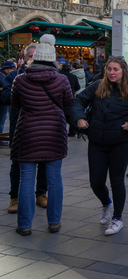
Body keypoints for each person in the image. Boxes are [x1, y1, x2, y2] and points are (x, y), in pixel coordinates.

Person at [11, 35, 73, 235]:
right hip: (54, 132)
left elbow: (16, 104)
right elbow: (67, 104)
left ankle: (24, 225)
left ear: (34, 58)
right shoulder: (62, 79)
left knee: (26, 178)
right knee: (54, 179)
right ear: (53, 59)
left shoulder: (20, 79)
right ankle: (54, 223)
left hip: (27, 133)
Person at [72, 57, 128, 236]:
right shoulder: (98, 85)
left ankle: (117, 218)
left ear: (124, 71)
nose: (112, 73)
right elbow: (78, 101)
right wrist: (80, 118)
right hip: (97, 141)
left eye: (115, 69)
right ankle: (107, 203)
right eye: (109, 69)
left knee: (117, 181)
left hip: (120, 142)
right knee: (96, 182)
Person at [3, 44, 48, 213]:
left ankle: (41, 193)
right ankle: (14, 197)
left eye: (36, 57)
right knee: (17, 163)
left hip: (42, 125)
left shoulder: (47, 76)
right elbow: (6, 97)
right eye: (30, 56)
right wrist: (23, 87)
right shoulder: (15, 76)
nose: (33, 60)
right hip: (20, 125)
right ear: (24, 58)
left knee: (44, 160)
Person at [0, 60, 16, 145]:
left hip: (3, 101)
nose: (13, 70)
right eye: (12, 68)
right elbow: (4, 83)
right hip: (2, 102)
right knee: (1, 120)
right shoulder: (2, 75)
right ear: (7, 69)